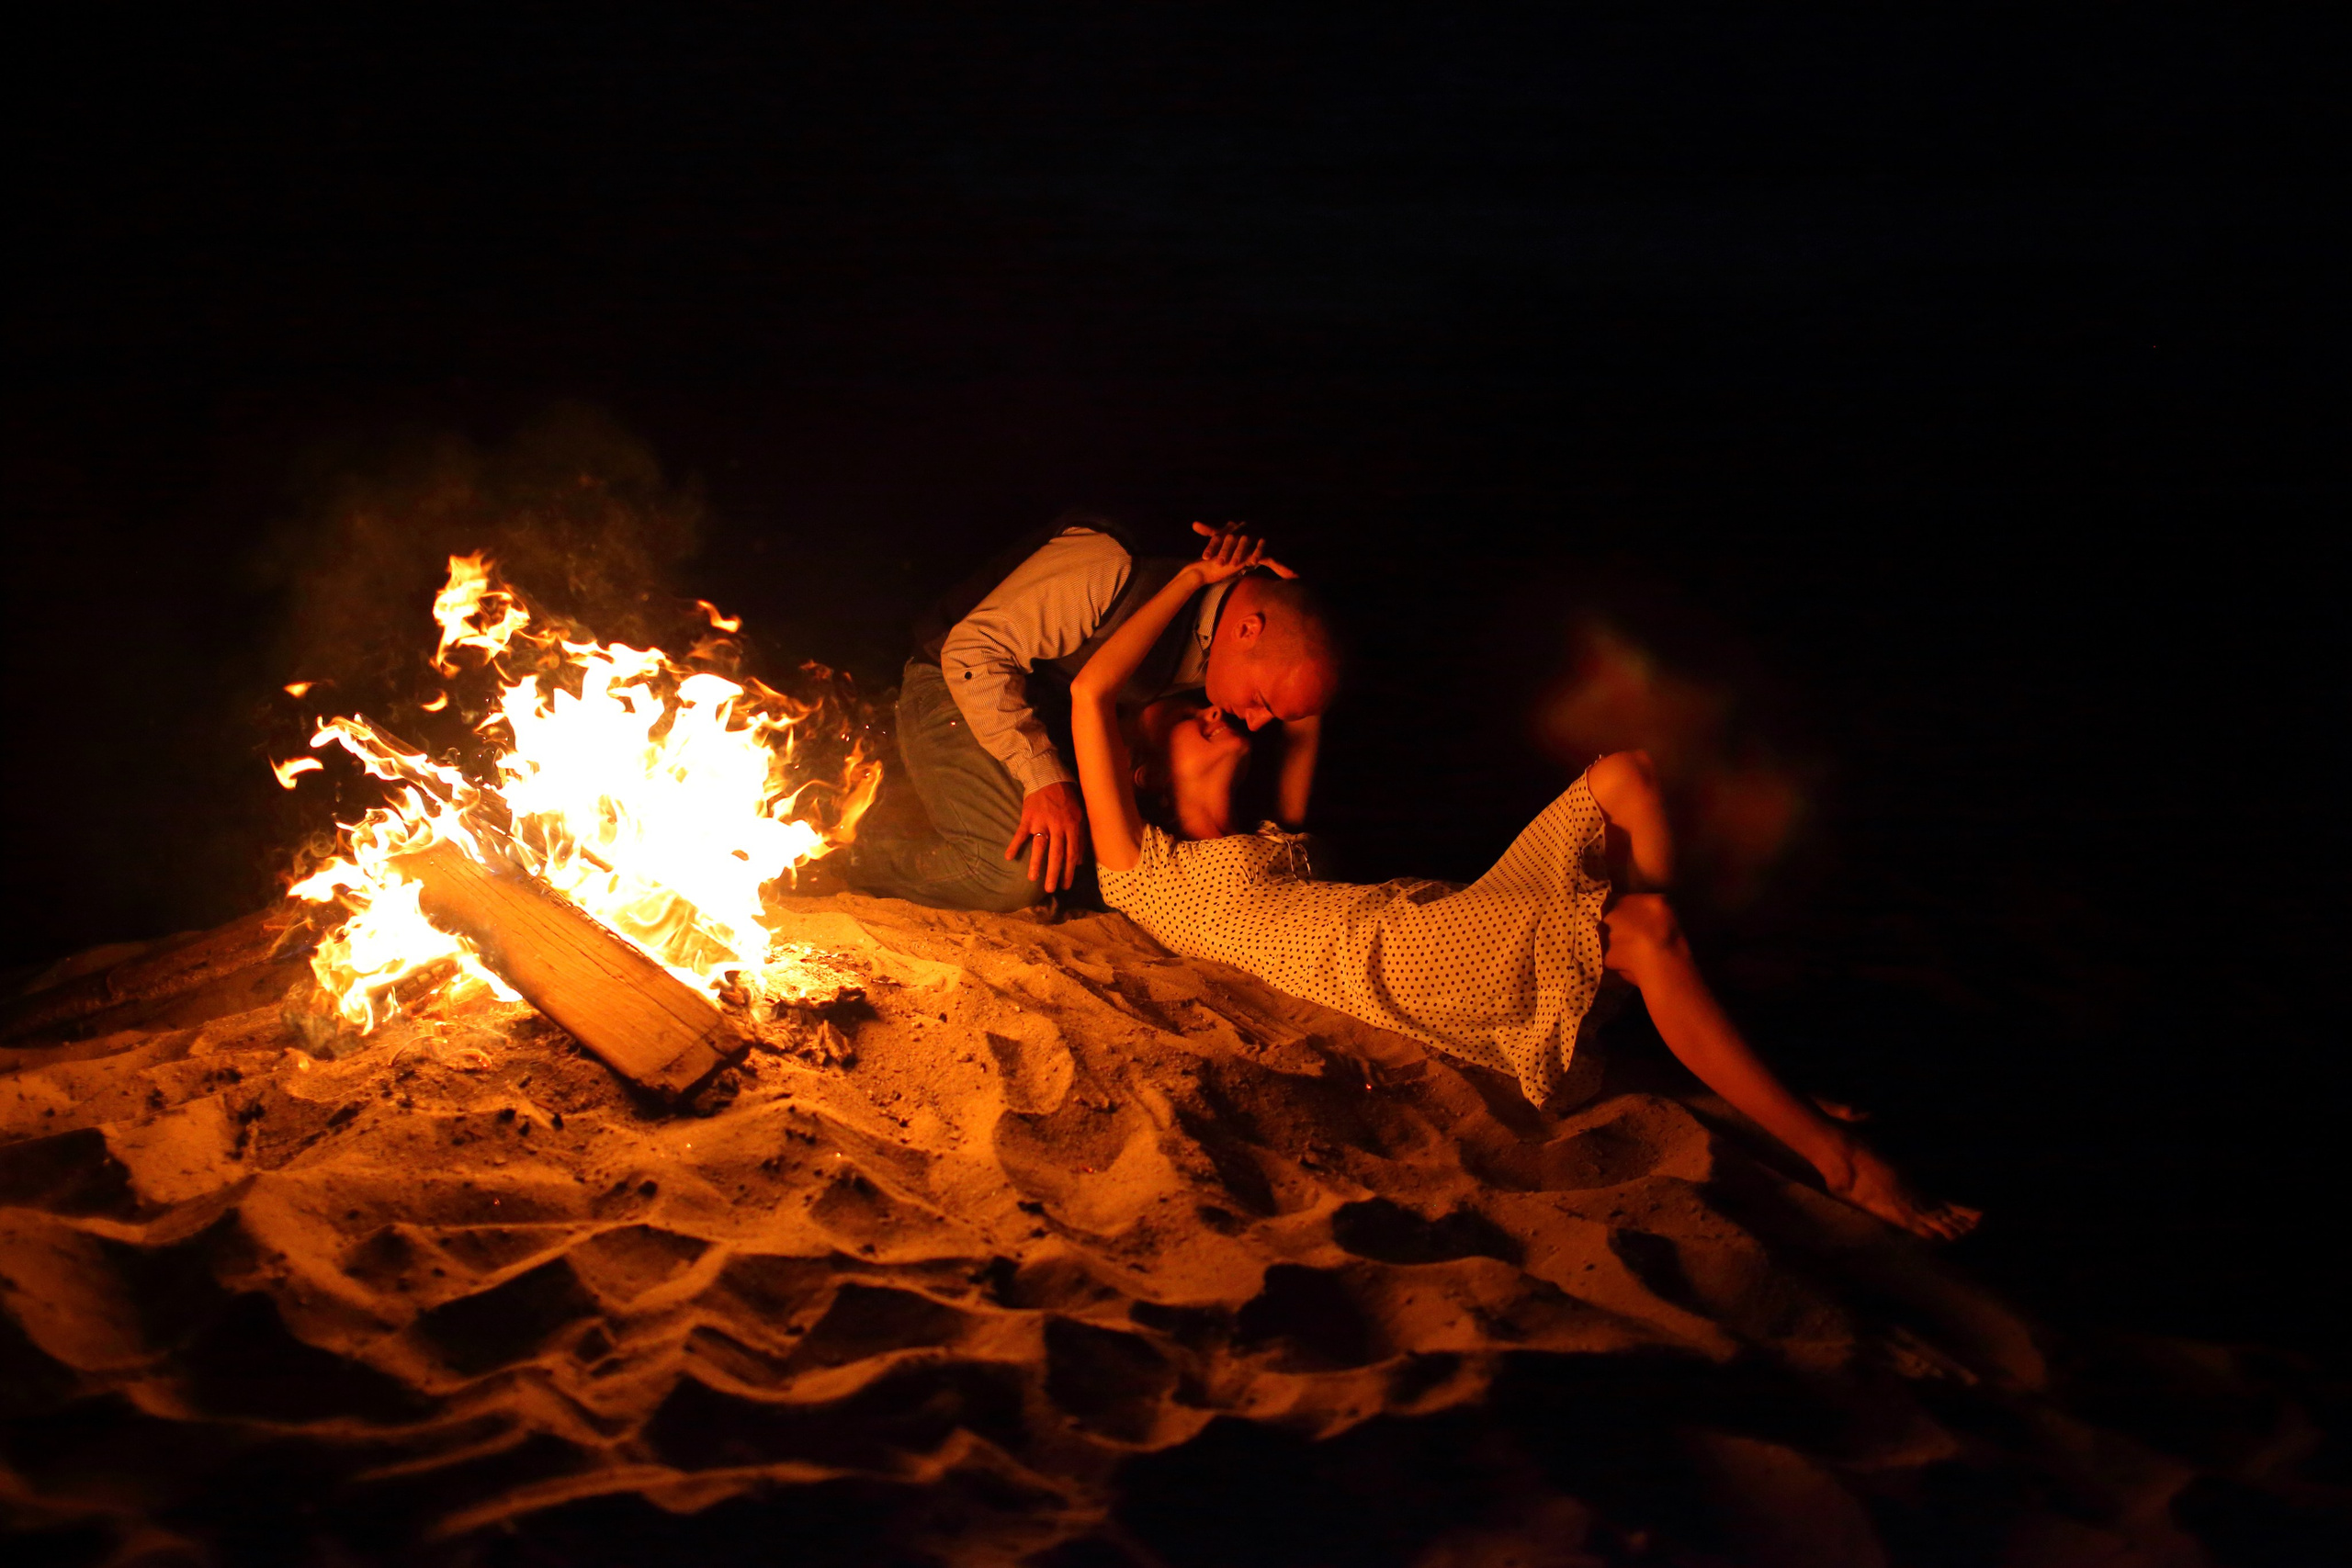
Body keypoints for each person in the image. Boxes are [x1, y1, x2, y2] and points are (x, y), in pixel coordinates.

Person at [1072, 526, 1980, 1242]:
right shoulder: (1143, 873)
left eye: (1236, 706)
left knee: (1626, 776)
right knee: (1637, 935)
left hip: (1429, 915)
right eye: (1194, 720)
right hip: (1388, 961)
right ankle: (1837, 1159)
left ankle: (1676, 1011)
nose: (1229, 710)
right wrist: (1192, 582)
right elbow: (1092, 695)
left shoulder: (1276, 828)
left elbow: (1304, 690)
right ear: (1146, 771)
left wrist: (1269, 595)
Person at [849, 513, 1341, 911]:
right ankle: (859, 852)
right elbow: (972, 654)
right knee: (1011, 879)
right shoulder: (1111, 568)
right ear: (1247, 630)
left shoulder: (1229, 647)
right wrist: (1044, 777)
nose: (1253, 723)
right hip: (956, 684)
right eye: (1262, 701)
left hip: (1052, 718)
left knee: (1061, 869)